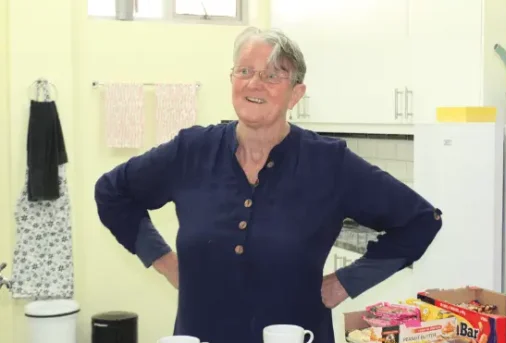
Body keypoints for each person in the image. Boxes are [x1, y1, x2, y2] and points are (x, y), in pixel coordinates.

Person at [94, 26, 443, 343]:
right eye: (244, 71)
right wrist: (165, 262)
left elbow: (421, 220)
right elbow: (112, 192)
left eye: (273, 75)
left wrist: (344, 283)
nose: (254, 83)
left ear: (295, 94)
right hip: (203, 334)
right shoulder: (191, 151)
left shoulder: (329, 164)